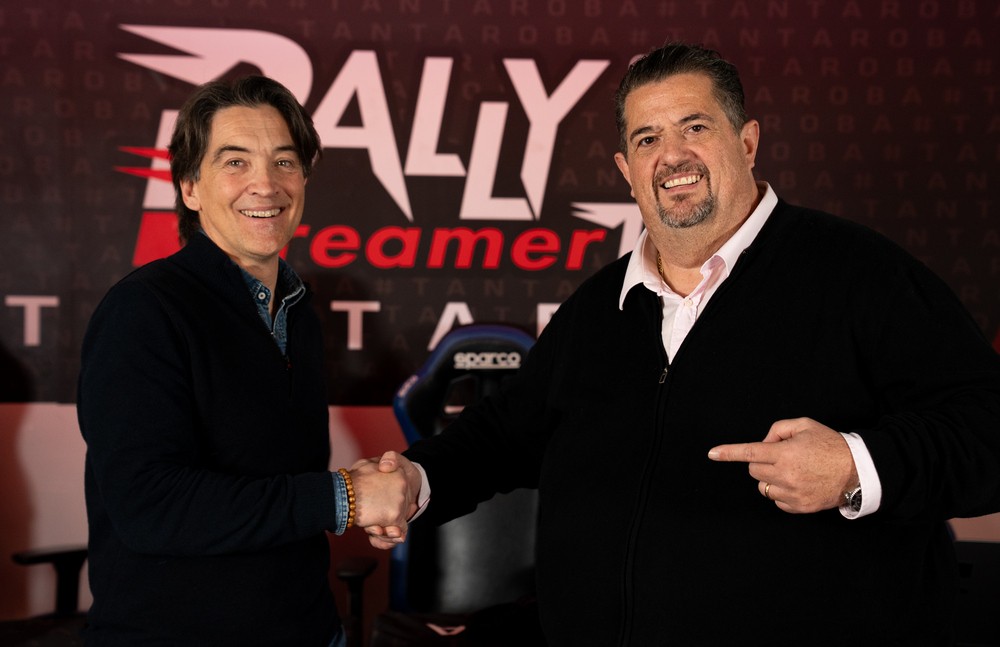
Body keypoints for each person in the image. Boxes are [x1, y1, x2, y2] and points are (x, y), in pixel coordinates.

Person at [368, 43, 1000, 645]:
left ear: (747, 143)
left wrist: (855, 468)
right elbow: (503, 435)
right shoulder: (599, 309)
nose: (672, 155)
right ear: (627, 170)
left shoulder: (861, 274)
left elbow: (988, 429)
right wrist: (417, 478)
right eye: (647, 139)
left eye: (694, 127)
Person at [77, 76, 416, 646]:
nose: (266, 184)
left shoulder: (299, 313)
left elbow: (282, 484)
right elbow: (150, 506)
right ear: (190, 186)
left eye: (284, 162)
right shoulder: (143, 311)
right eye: (235, 162)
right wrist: (345, 497)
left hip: (310, 629)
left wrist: (366, 498)